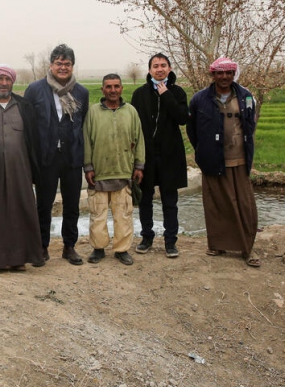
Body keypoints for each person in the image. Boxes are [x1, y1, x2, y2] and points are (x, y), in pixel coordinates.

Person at [186, 57, 260, 267]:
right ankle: (218, 244)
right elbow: (193, 131)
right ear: (213, 75)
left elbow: (250, 125)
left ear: (233, 74)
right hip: (213, 161)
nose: (224, 77)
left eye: (228, 73)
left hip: (239, 160)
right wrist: (203, 151)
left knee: (244, 205)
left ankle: (248, 248)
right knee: (216, 205)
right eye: (220, 73)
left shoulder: (245, 96)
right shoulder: (200, 99)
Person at [24, 44, 90, 265]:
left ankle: (69, 246)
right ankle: (41, 246)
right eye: (59, 63)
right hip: (46, 157)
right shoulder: (35, 89)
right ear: (51, 65)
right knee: (44, 203)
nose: (63, 67)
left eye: (67, 64)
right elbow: (28, 126)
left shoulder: (81, 92)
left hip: (72, 157)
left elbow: (82, 123)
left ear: (72, 66)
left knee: (72, 203)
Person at [0, 64, 45, 270]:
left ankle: (18, 259)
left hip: (20, 168)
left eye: (8, 79)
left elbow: (33, 139)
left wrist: (34, 169)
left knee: (20, 211)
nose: (4, 83)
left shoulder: (24, 105)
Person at [130, 53, 189, 258]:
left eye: (163, 65)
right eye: (155, 66)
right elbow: (133, 126)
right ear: (149, 70)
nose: (160, 69)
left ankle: (170, 241)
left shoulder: (178, 93)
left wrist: (166, 96)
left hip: (170, 155)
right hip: (146, 155)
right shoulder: (140, 94)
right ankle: (147, 237)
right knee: (145, 199)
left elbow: (182, 118)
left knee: (169, 201)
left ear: (170, 69)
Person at [83, 74, 145, 265]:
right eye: (108, 86)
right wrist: (88, 166)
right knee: (98, 214)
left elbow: (139, 139)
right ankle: (98, 248)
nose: (112, 90)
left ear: (121, 88)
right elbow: (87, 141)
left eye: (116, 86)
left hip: (123, 172)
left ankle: (121, 249)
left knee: (123, 214)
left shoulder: (131, 111)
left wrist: (139, 166)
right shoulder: (93, 112)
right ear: (102, 89)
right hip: (99, 173)